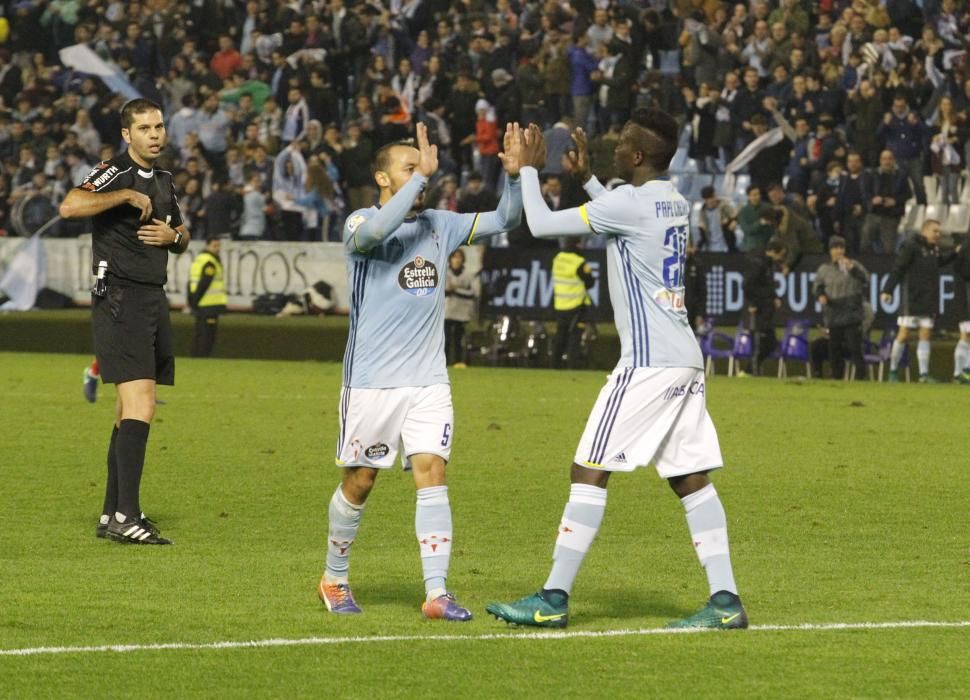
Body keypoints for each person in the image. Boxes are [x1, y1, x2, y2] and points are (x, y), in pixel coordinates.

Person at [486, 112, 747, 630]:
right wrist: (587, 181)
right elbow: (624, 210)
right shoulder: (673, 200)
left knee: (589, 468)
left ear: (634, 158)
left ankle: (553, 598)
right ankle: (725, 603)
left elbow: (540, 225)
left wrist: (533, 172)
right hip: (684, 359)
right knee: (691, 480)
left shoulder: (627, 202)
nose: (613, 148)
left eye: (621, 144)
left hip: (648, 363)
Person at [319, 123, 524, 620]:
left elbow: (506, 218)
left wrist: (515, 176)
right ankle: (334, 578)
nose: (421, 177)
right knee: (362, 480)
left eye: (423, 168)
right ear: (383, 178)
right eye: (409, 169)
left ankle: (436, 592)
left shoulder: (440, 223)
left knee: (432, 473)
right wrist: (418, 182)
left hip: (429, 380)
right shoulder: (358, 222)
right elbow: (374, 233)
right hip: (372, 382)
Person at [59, 98, 190, 545]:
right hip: (120, 296)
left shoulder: (166, 180)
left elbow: (182, 233)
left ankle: (113, 512)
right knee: (141, 405)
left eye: (158, 126)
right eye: (145, 128)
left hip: (151, 298)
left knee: (125, 410)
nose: (155, 134)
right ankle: (126, 517)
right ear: (127, 135)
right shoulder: (114, 171)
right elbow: (70, 206)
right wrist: (123, 196)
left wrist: (175, 237)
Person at [880, 220, 954, 383]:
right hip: (912, 298)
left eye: (939, 232)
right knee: (904, 334)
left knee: (925, 334)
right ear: (925, 231)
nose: (938, 235)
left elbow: (940, 262)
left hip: (929, 300)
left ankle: (923, 374)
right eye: (935, 231)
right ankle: (892, 371)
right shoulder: (911, 246)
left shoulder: (934, 249)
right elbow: (898, 268)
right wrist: (887, 289)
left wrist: (955, 253)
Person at [812, 236, 869, 380]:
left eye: (841, 248)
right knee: (834, 349)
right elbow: (817, 287)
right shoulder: (824, 269)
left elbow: (866, 280)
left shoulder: (853, 265)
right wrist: (820, 296)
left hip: (851, 312)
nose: (838, 251)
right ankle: (837, 377)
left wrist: (853, 269)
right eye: (835, 248)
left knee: (855, 347)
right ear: (830, 251)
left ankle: (860, 377)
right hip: (834, 313)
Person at [743, 235, 787, 376]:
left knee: (771, 343)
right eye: (780, 254)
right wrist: (754, 303)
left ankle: (748, 371)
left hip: (767, 311)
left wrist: (774, 297)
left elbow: (767, 286)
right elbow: (747, 285)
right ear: (773, 251)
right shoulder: (758, 264)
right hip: (759, 311)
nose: (781, 258)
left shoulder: (767, 265)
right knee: (759, 345)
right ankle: (754, 375)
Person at [550, 237, 594, 369]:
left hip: (560, 304)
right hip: (576, 306)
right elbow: (590, 282)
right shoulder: (579, 262)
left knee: (560, 337)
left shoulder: (558, 258)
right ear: (577, 245)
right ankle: (572, 367)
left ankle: (554, 366)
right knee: (574, 338)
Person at [187, 235, 227, 358]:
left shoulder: (199, 259)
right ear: (207, 246)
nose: (217, 248)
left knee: (199, 332)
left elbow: (190, 283)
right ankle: (203, 356)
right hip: (209, 304)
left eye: (219, 245)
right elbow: (204, 283)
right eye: (215, 245)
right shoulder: (210, 262)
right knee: (208, 334)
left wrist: (192, 302)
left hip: (201, 303)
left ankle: (195, 355)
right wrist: (194, 302)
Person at [444, 248, 480, 367]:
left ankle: (458, 361)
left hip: (462, 312)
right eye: (454, 257)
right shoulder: (444, 272)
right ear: (450, 259)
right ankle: (444, 362)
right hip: (447, 311)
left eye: (459, 257)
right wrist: (451, 290)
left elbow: (474, 293)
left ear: (462, 259)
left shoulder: (469, 274)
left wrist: (456, 289)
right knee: (446, 339)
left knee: (459, 339)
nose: (457, 260)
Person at [952, 242, 970, 384]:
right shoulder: (967, 247)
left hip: (964, 300)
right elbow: (963, 271)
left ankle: (960, 372)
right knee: (965, 336)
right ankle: (963, 371)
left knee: (965, 337)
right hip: (966, 300)